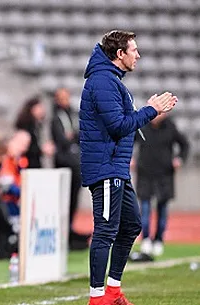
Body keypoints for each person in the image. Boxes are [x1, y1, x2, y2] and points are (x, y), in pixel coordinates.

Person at [80, 30, 177, 305]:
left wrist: (148, 110)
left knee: (131, 225)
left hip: (116, 167)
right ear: (119, 54)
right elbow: (118, 126)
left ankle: (112, 292)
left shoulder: (111, 80)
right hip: (106, 167)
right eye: (134, 50)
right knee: (105, 231)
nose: (138, 55)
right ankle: (97, 298)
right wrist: (151, 110)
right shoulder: (102, 81)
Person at [134, 113, 188, 257]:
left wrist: (179, 159)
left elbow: (184, 144)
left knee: (162, 209)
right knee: (144, 209)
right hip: (145, 173)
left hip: (164, 175)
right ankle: (145, 239)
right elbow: (128, 141)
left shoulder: (170, 127)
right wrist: (130, 158)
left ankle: (158, 239)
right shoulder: (142, 126)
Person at [50, 87, 90, 249]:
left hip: (76, 164)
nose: (65, 101)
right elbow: (62, 140)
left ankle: (69, 229)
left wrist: (73, 136)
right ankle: (62, 231)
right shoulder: (55, 118)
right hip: (63, 164)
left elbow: (81, 134)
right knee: (63, 199)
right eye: (62, 98)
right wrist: (72, 137)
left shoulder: (74, 115)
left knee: (73, 199)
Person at [15, 97, 53, 169]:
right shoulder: (26, 127)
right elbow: (27, 149)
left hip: (36, 163)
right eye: (39, 108)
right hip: (28, 165)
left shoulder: (37, 126)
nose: (42, 110)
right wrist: (42, 149)